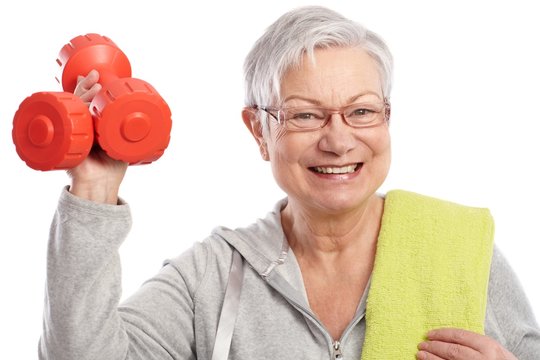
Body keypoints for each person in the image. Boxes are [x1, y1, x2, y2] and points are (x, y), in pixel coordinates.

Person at [39, 5, 540, 360]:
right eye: (305, 116)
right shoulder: (212, 278)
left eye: (362, 111)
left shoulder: (461, 248)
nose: (339, 141)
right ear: (259, 130)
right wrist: (95, 188)